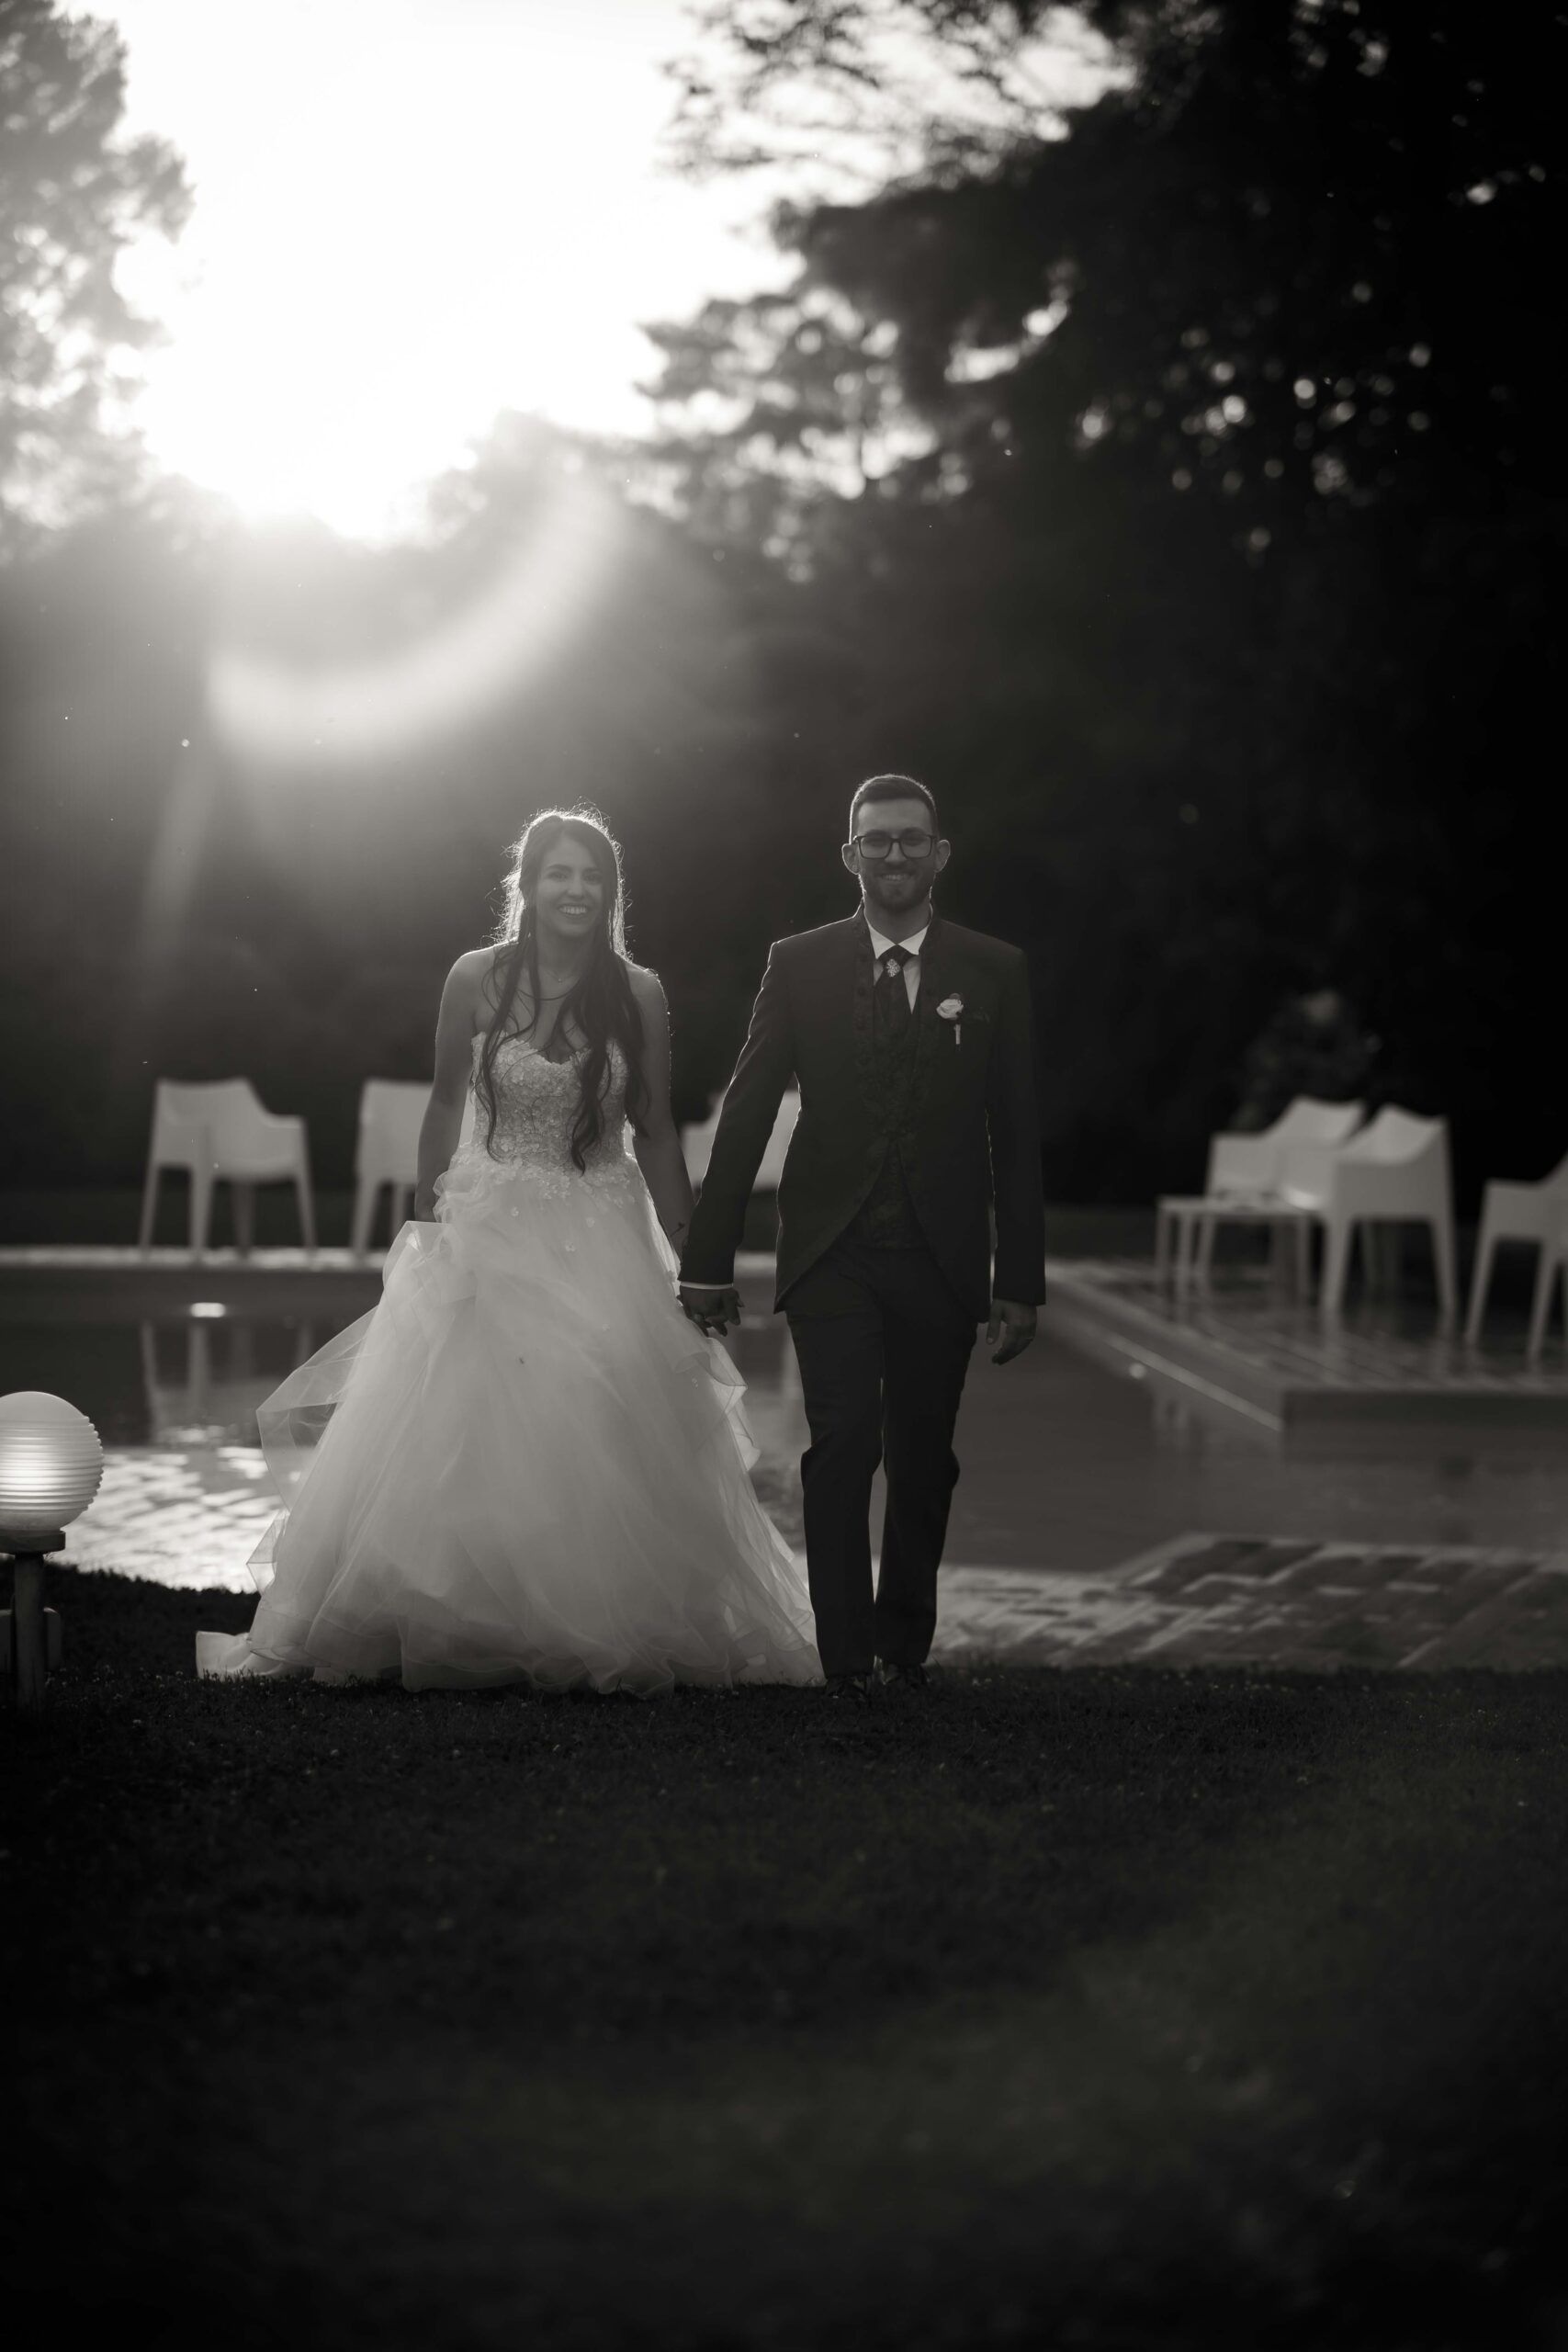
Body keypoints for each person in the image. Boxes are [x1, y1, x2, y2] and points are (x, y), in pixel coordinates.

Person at [197, 808, 819, 1694]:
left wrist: (693, 1257)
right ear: (526, 885)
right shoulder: (475, 977)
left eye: (593, 877)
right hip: (487, 1218)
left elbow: (651, 1127)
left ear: (610, 892)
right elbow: (445, 1102)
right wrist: (429, 1221)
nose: (577, 890)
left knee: (598, 1394)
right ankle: (461, 1616)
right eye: (559, 873)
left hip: (599, 1222)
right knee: (462, 1417)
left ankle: (595, 1618)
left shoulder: (637, 992)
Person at [679, 775, 1045, 1702]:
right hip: (830, 1249)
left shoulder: (993, 970)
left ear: (939, 853)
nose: (894, 854)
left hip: (940, 1255)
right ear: (850, 855)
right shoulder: (797, 963)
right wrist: (706, 1262)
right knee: (842, 1443)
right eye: (876, 839)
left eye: (911, 839)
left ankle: (902, 1649)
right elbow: (747, 1116)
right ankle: (843, 1659)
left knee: (923, 1458)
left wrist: (1019, 1277)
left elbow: (1016, 1132)